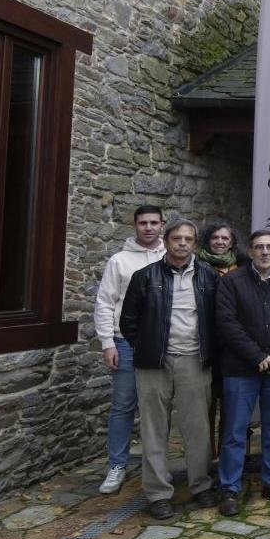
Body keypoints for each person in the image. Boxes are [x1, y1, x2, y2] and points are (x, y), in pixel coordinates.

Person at [119, 220, 219, 520]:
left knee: (198, 426)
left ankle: (200, 485)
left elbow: (217, 320)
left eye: (189, 239)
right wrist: (149, 347)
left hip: (194, 360)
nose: (183, 244)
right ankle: (158, 493)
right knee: (153, 428)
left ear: (195, 244)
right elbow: (128, 322)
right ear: (167, 240)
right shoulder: (144, 276)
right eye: (177, 238)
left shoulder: (209, 276)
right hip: (154, 363)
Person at [215, 230, 270, 516]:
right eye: (259, 247)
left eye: (269, 247)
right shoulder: (232, 282)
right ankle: (229, 488)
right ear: (250, 251)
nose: (265, 252)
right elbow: (227, 324)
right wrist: (259, 357)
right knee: (234, 431)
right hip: (241, 369)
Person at [94, 205, 165, 495]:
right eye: (143, 223)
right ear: (134, 226)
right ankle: (117, 465)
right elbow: (105, 303)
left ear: (162, 224)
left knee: (159, 406)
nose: (148, 228)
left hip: (164, 342)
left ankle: (157, 465)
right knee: (124, 404)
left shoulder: (170, 256)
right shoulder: (119, 261)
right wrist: (107, 342)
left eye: (154, 222)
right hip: (126, 342)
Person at [198, 222, 245, 459]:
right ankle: (207, 457)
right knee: (206, 407)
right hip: (206, 345)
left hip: (234, 347)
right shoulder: (197, 266)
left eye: (225, 238)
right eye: (215, 237)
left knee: (232, 408)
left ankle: (228, 458)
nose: (219, 242)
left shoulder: (243, 267)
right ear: (207, 241)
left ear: (232, 242)